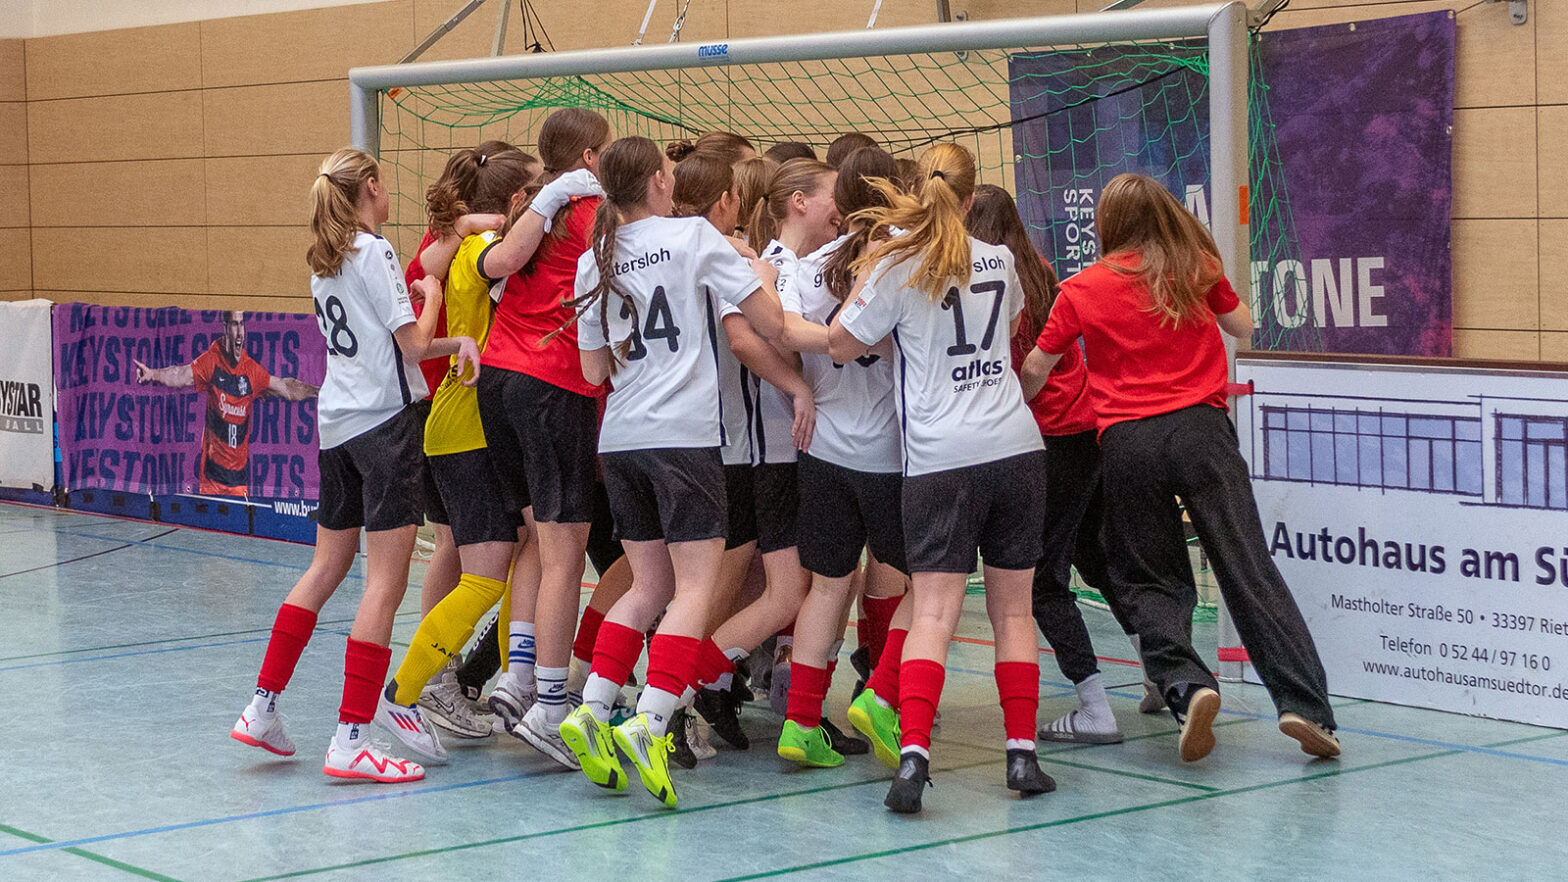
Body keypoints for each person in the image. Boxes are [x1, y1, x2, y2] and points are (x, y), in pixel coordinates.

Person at [1020, 172, 1341, 763]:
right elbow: (1244, 326)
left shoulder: (1081, 288)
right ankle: (1304, 706)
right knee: (1247, 566)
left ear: (1108, 225)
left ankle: (1188, 686)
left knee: (1149, 577)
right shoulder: (1194, 266)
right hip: (1201, 431)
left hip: (1126, 443)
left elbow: (1039, 365)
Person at [228, 147, 479, 784]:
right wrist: (429, 297)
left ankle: (263, 705)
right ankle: (350, 737)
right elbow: (414, 345)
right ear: (370, 186)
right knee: (383, 584)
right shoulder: (376, 252)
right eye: (385, 183)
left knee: (324, 568)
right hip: (385, 430)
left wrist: (459, 340)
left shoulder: (324, 261)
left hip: (336, 427)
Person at [558, 135, 788, 809]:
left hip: (623, 437)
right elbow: (768, 321)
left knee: (645, 583)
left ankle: (593, 707)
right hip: (684, 440)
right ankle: (652, 718)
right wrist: (764, 277)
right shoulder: (692, 238)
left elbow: (593, 372)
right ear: (660, 182)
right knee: (693, 588)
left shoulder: (593, 259)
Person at [829, 143, 1055, 813]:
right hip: (1016, 447)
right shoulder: (1003, 260)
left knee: (932, 612)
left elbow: (843, 342)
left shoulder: (897, 264)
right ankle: (1021, 756)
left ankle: (913, 761)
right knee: (1014, 611)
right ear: (970, 196)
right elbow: (1002, 327)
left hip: (939, 458)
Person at [371, 143, 539, 763]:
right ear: (516, 201)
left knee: (493, 566)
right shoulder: (477, 254)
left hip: (472, 427)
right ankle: (408, 690)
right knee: (483, 574)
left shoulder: (466, 247)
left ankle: (428, 683)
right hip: (460, 429)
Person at [468, 108, 614, 752]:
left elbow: (494, 266)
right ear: (588, 158)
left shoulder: (531, 206)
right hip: (552, 383)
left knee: (536, 541)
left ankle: (518, 676)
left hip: (498, 378)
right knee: (563, 553)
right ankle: (552, 706)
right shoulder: (587, 214)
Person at [965, 183, 1128, 745]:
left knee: (1040, 582)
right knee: (1097, 560)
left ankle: (1095, 705)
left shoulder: (989, 282)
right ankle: (1168, 674)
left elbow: (1018, 371)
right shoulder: (1040, 268)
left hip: (1046, 439)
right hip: (1086, 432)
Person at [773, 145, 910, 769]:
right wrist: (852, 342)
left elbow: (783, 332)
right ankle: (884, 691)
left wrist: (828, 343)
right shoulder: (904, 258)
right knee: (917, 584)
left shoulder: (810, 265)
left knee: (827, 587)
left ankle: (801, 722)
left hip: (821, 446)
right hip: (888, 450)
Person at [134, 311, 318, 497]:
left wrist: (318, 391)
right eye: (234, 324)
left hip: (238, 482)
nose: (239, 332)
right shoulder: (212, 361)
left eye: (241, 324)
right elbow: (180, 375)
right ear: (225, 328)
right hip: (211, 481)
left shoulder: (251, 371)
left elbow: (286, 387)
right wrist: (153, 374)